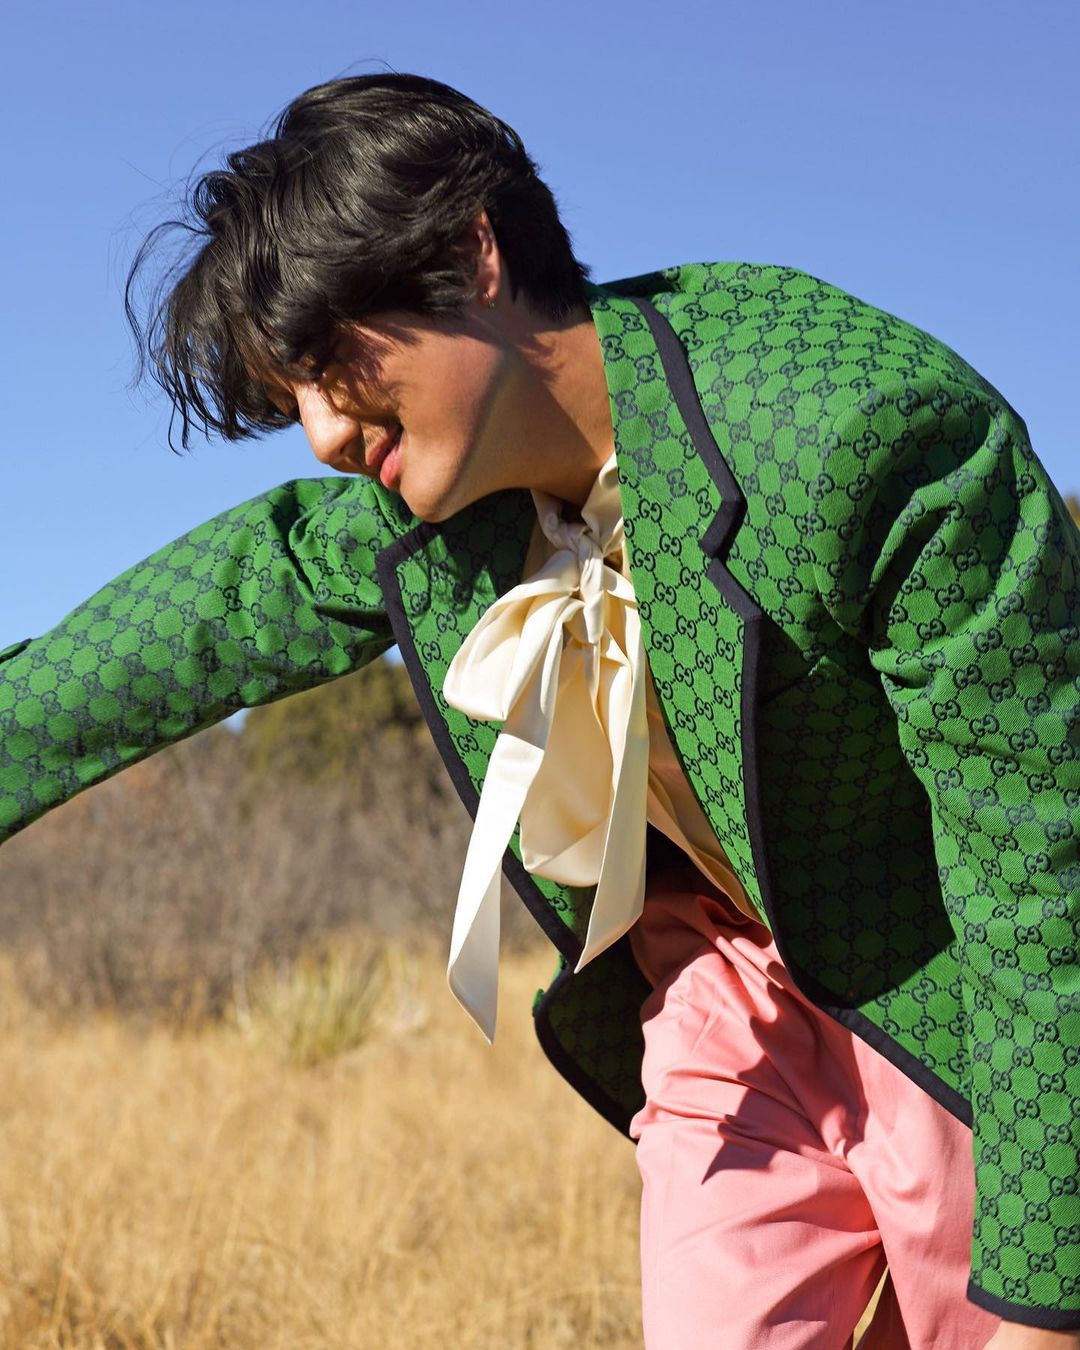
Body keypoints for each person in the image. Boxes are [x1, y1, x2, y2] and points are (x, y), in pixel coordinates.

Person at [2, 71, 1077, 1349]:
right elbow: (217, 607)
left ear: (474, 252)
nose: (322, 435)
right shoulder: (441, 511)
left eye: (330, 364)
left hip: (957, 995)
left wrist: (1043, 1295)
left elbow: (1043, 873)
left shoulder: (862, 433)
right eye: (291, 397)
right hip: (723, 1006)